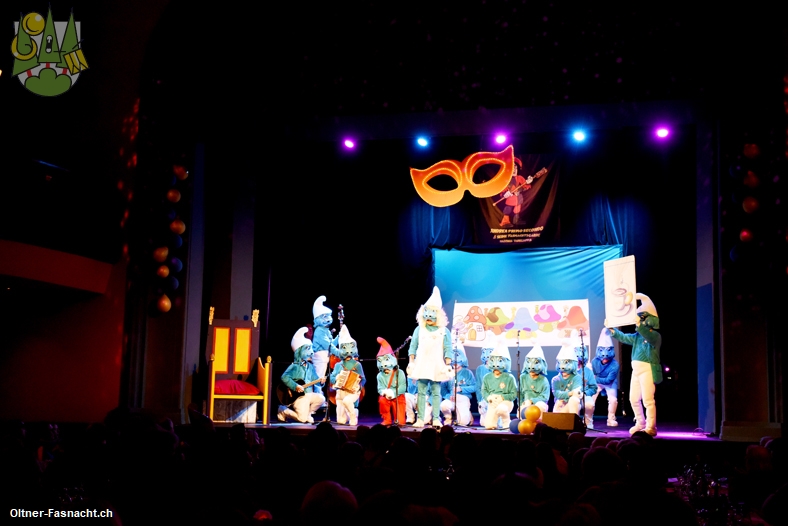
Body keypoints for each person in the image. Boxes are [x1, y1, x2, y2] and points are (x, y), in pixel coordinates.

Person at [606, 293, 662, 436]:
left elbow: (649, 336)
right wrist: (612, 330)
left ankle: (651, 426)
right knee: (633, 398)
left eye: (643, 317)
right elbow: (624, 337)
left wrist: (639, 325)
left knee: (648, 400)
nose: (641, 320)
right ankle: (640, 422)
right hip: (636, 371)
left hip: (648, 369)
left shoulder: (655, 336)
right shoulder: (637, 336)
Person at [407, 286, 454, 428]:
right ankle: (420, 419)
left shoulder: (443, 331)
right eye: (426, 314)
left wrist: (448, 364)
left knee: (436, 392)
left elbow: (448, 348)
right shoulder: (419, 329)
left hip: (436, 365)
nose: (429, 318)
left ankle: (436, 419)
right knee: (421, 392)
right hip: (422, 363)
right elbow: (413, 346)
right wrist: (411, 362)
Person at [278, 327, 326, 423]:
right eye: (308, 348)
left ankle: (308, 413)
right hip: (299, 396)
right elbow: (284, 377)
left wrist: (321, 382)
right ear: (299, 351)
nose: (311, 352)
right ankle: (283, 410)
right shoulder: (295, 366)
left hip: (309, 394)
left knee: (321, 399)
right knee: (302, 419)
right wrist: (295, 386)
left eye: (311, 348)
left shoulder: (310, 366)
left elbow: (315, 379)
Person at [329, 325, 365, 426]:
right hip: (340, 392)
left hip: (351, 392)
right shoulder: (338, 365)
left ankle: (353, 416)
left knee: (347, 401)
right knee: (341, 421)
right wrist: (336, 379)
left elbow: (363, 379)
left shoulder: (357, 365)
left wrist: (358, 386)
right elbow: (331, 378)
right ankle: (350, 413)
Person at [481, 340, 517, 430]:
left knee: (501, 409)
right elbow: (484, 391)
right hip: (492, 402)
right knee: (489, 425)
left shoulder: (509, 377)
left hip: (505, 402)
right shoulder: (487, 377)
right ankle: (494, 423)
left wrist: (502, 397)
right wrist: (488, 397)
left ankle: (506, 423)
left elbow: (514, 394)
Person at [439, 342, 476, 426]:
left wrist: (461, 389)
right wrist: (448, 396)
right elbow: (443, 388)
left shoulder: (467, 372)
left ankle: (468, 415)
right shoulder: (448, 372)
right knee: (444, 405)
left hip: (463, 398)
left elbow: (474, 387)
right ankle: (448, 418)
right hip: (451, 398)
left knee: (463, 423)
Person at [590, 327, 620, 427]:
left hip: (610, 383)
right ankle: (588, 419)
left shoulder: (615, 365)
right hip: (597, 383)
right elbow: (594, 374)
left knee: (613, 400)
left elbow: (608, 380)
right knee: (590, 399)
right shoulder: (594, 361)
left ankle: (611, 419)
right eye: (601, 350)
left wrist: (595, 379)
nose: (605, 356)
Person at [375, 337, 407, 426]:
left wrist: (393, 393)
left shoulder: (399, 373)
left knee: (400, 422)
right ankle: (387, 419)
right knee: (382, 400)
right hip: (386, 397)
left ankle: (399, 419)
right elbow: (380, 388)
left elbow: (403, 387)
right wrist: (385, 393)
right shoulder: (380, 375)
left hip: (398, 396)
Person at [311, 295, 339, 380]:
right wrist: (339, 353)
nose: (328, 319)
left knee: (321, 378)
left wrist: (339, 337)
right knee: (318, 378)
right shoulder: (319, 330)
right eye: (325, 316)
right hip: (320, 357)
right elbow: (328, 345)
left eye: (328, 316)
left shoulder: (325, 330)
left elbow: (331, 343)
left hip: (324, 357)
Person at [551, 343, 583, 416]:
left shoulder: (577, 378)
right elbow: (556, 393)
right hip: (560, 405)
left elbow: (576, 393)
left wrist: (566, 396)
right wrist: (569, 393)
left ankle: (574, 421)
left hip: (572, 405)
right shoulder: (555, 379)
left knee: (574, 400)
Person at [519, 345, 550, 419]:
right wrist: (520, 404)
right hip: (526, 403)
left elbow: (545, 397)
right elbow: (520, 394)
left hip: (539, 404)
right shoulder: (523, 377)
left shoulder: (544, 380)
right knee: (522, 412)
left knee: (540, 406)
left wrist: (532, 401)